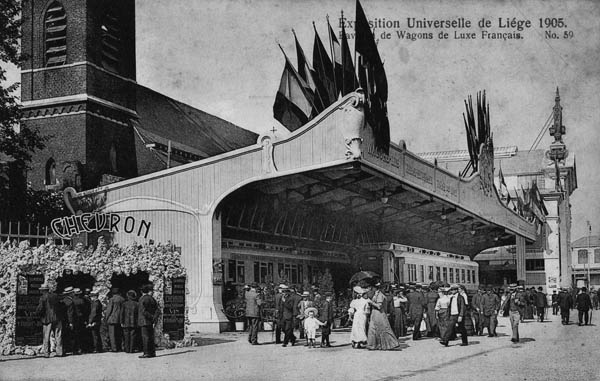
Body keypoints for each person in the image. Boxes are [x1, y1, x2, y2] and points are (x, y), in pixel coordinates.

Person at [366, 284, 400, 350]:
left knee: (383, 328)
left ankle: (390, 344)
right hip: (374, 313)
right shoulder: (376, 294)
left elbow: (379, 306)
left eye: (372, 288)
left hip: (379, 314)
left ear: (375, 288)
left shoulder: (380, 295)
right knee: (373, 329)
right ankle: (374, 345)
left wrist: (371, 302)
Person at [36, 283, 64, 357]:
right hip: (57, 318)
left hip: (47, 319)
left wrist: (37, 314)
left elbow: (40, 309)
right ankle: (59, 352)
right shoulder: (55, 296)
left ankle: (46, 353)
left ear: (43, 290)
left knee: (46, 336)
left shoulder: (43, 298)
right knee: (58, 335)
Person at [138, 284, 159, 358]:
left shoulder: (142, 299)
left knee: (145, 337)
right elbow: (157, 310)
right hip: (151, 321)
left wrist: (150, 317)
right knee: (151, 337)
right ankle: (152, 352)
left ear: (142, 291)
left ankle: (146, 353)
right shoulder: (152, 299)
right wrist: (154, 319)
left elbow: (143, 311)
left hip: (144, 321)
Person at [106, 287, 125, 352]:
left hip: (112, 318)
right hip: (120, 319)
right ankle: (119, 347)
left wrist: (106, 318)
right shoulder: (122, 299)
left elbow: (109, 310)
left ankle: (114, 348)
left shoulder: (112, 299)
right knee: (119, 334)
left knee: (112, 334)